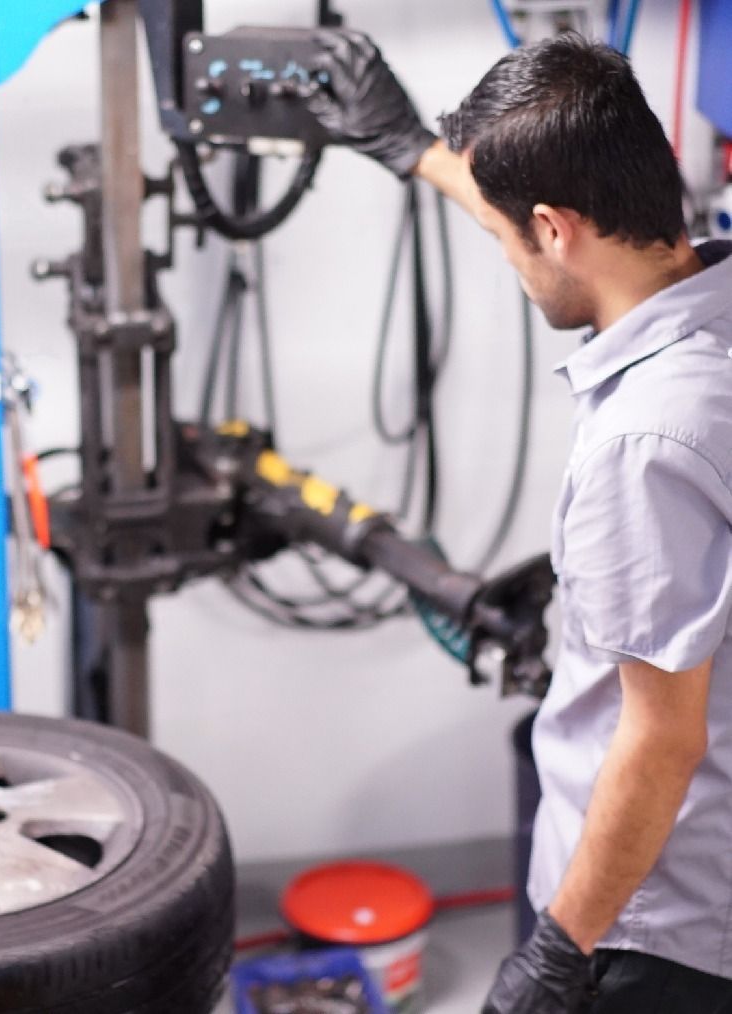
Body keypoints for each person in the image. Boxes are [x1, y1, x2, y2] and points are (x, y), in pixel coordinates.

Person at [306, 29, 732, 1014]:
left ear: (552, 228)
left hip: (646, 929)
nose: (511, 260)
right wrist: (412, 149)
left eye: (509, 240)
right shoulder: (702, 293)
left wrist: (559, 955)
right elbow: (547, 216)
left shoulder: (644, 441)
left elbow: (658, 743)